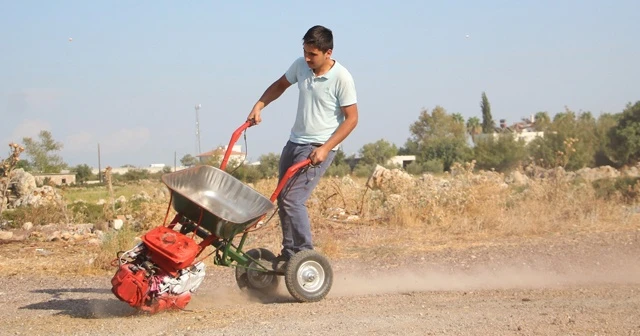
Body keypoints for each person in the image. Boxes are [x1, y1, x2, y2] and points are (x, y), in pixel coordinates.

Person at [246, 25, 358, 270]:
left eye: (313, 55)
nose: (307, 58)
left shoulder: (342, 78)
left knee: (292, 200)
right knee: (282, 197)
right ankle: (289, 253)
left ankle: (306, 257)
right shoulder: (301, 66)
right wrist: (259, 105)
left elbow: (352, 119)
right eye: (305, 52)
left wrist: (326, 148)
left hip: (318, 147)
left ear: (328, 53)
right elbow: (279, 85)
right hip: (295, 142)